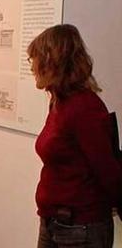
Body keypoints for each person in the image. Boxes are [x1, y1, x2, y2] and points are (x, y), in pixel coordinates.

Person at [30, 24, 122, 248]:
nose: (32, 67)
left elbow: (107, 169)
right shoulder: (58, 101)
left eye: (35, 59)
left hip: (81, 227)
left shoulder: (84, 107)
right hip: (53, 220)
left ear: (52, 61)